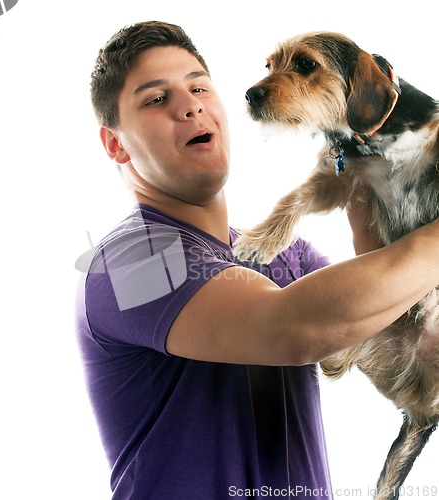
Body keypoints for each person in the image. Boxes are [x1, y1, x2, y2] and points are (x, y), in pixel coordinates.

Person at [75, 21, 439, 499]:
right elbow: (294, 329)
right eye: (156, 99)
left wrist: (384, 176)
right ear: (115, 144)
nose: (190, 105)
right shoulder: (125, 264)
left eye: (199, 86)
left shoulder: (284, 257)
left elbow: (376, 300)